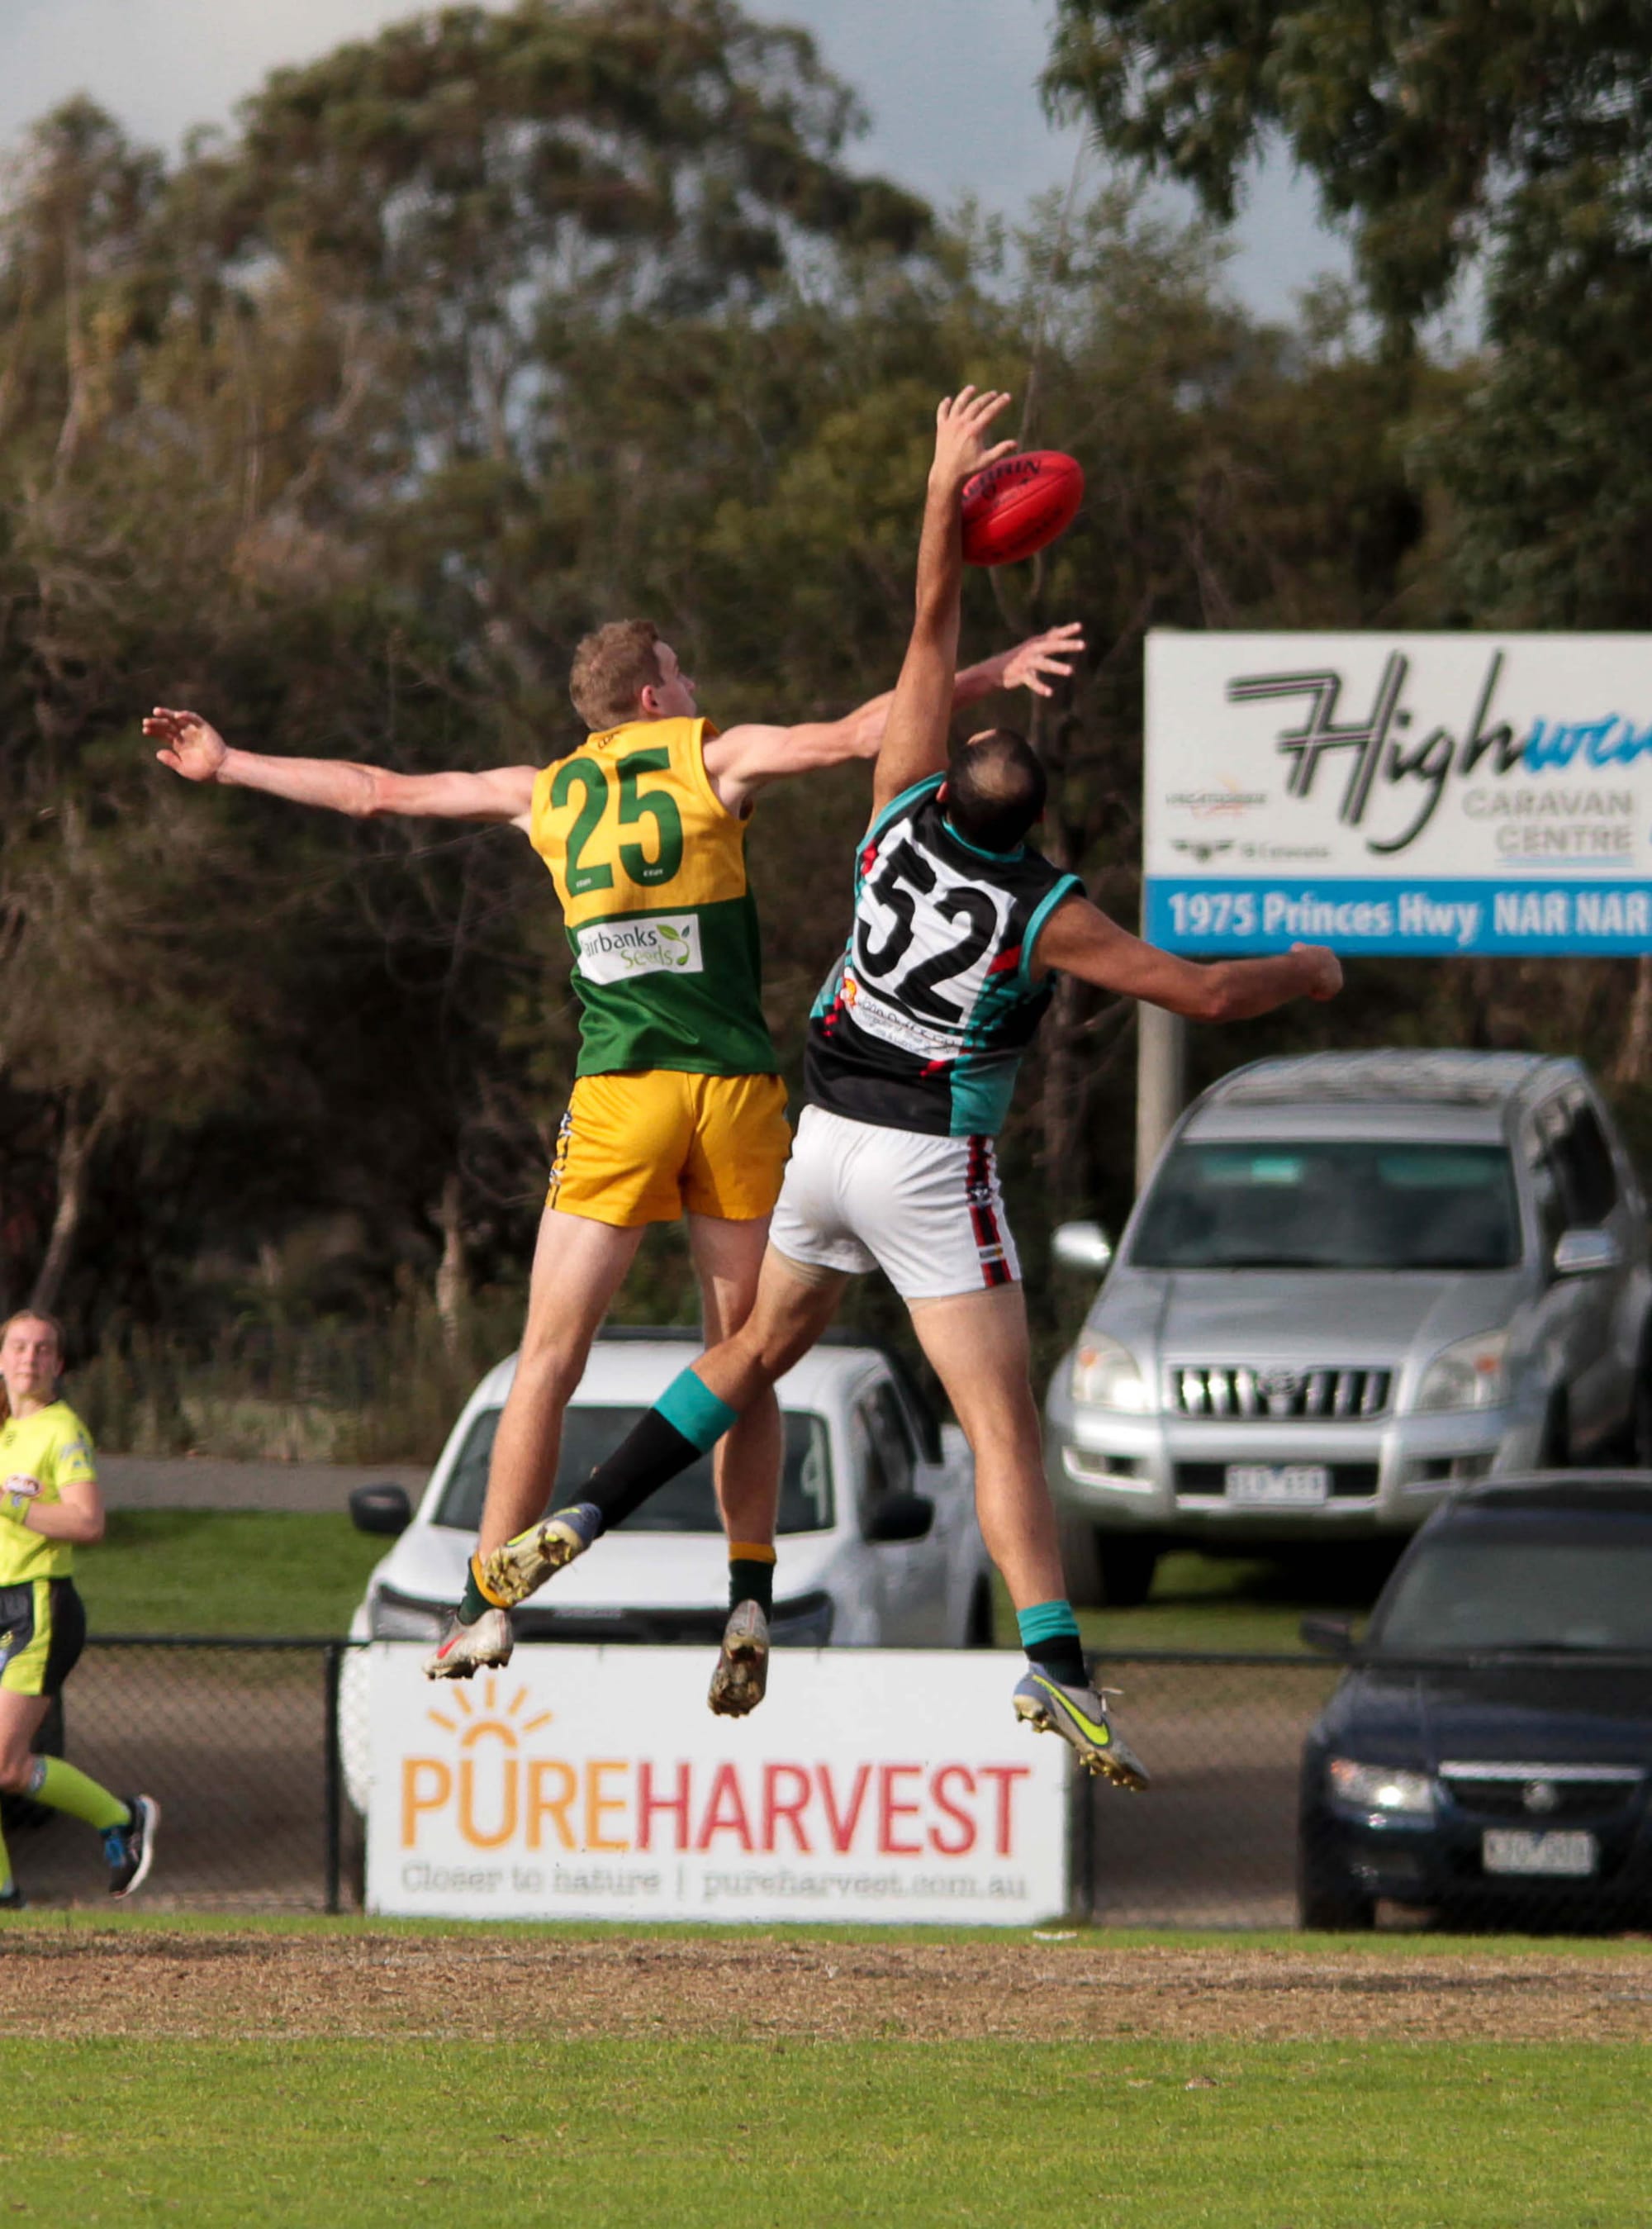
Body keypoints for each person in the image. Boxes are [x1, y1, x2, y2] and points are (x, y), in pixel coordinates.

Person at [477, 387, 1345, 1779]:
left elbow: (930, 629)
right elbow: (1204, 994)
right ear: (1039, 825)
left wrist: (943, 490)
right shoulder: (1046, 907)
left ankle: (585, 1513)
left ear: (948, 784)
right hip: (933, 1163)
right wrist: (1305, 968)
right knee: (1002, 1423)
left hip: (823, 1144)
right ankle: (1057, 1666)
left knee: (750, 1353)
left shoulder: (895, 812)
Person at [144, 611, 1082, 1707]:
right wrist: (989, 673)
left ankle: (485, 1607)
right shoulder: (711, 759)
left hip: (617, 1100)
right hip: (731, 1097)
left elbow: (375, 791)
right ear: (650, 696)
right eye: (679, 672)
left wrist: (229, 763)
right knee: (743, 1357)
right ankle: (748, 1595)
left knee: (547, 1356)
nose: (692, 688)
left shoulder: (544, 792)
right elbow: (865, 731)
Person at [0, 1310, 158, 1906]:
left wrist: (13, 1505)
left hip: (37, 1603)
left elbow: (89, 1522)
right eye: (19, 1346)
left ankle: (121, 1817)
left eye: (42, 1349)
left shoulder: (61, 1430)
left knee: (6, 1766)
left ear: (58, 1365)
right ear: (1, 1358)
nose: (29, 1358)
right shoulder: (4, 1428)